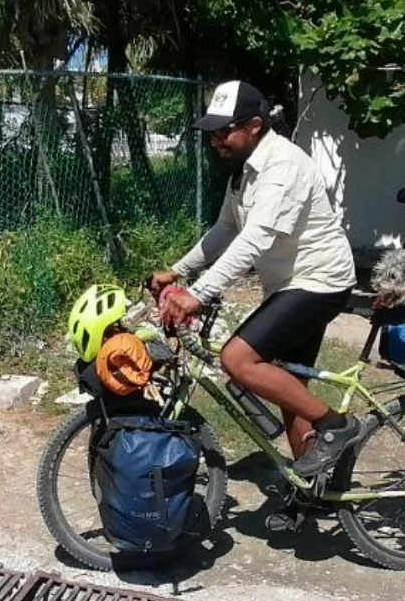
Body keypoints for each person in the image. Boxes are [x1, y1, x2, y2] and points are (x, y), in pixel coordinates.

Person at [150, 79, 359, 482]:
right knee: (289, 387)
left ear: (256, 125)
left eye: (224, 131)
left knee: (238, 359)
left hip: (320, 281)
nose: (216, 141)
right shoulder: (243, 171)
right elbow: (225, 229)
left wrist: (198, 293)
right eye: (212, 133)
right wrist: (178, 271)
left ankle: (336, 427)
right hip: (289, 284)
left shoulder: (283, 166)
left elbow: (256, 239)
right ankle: (310, 492)